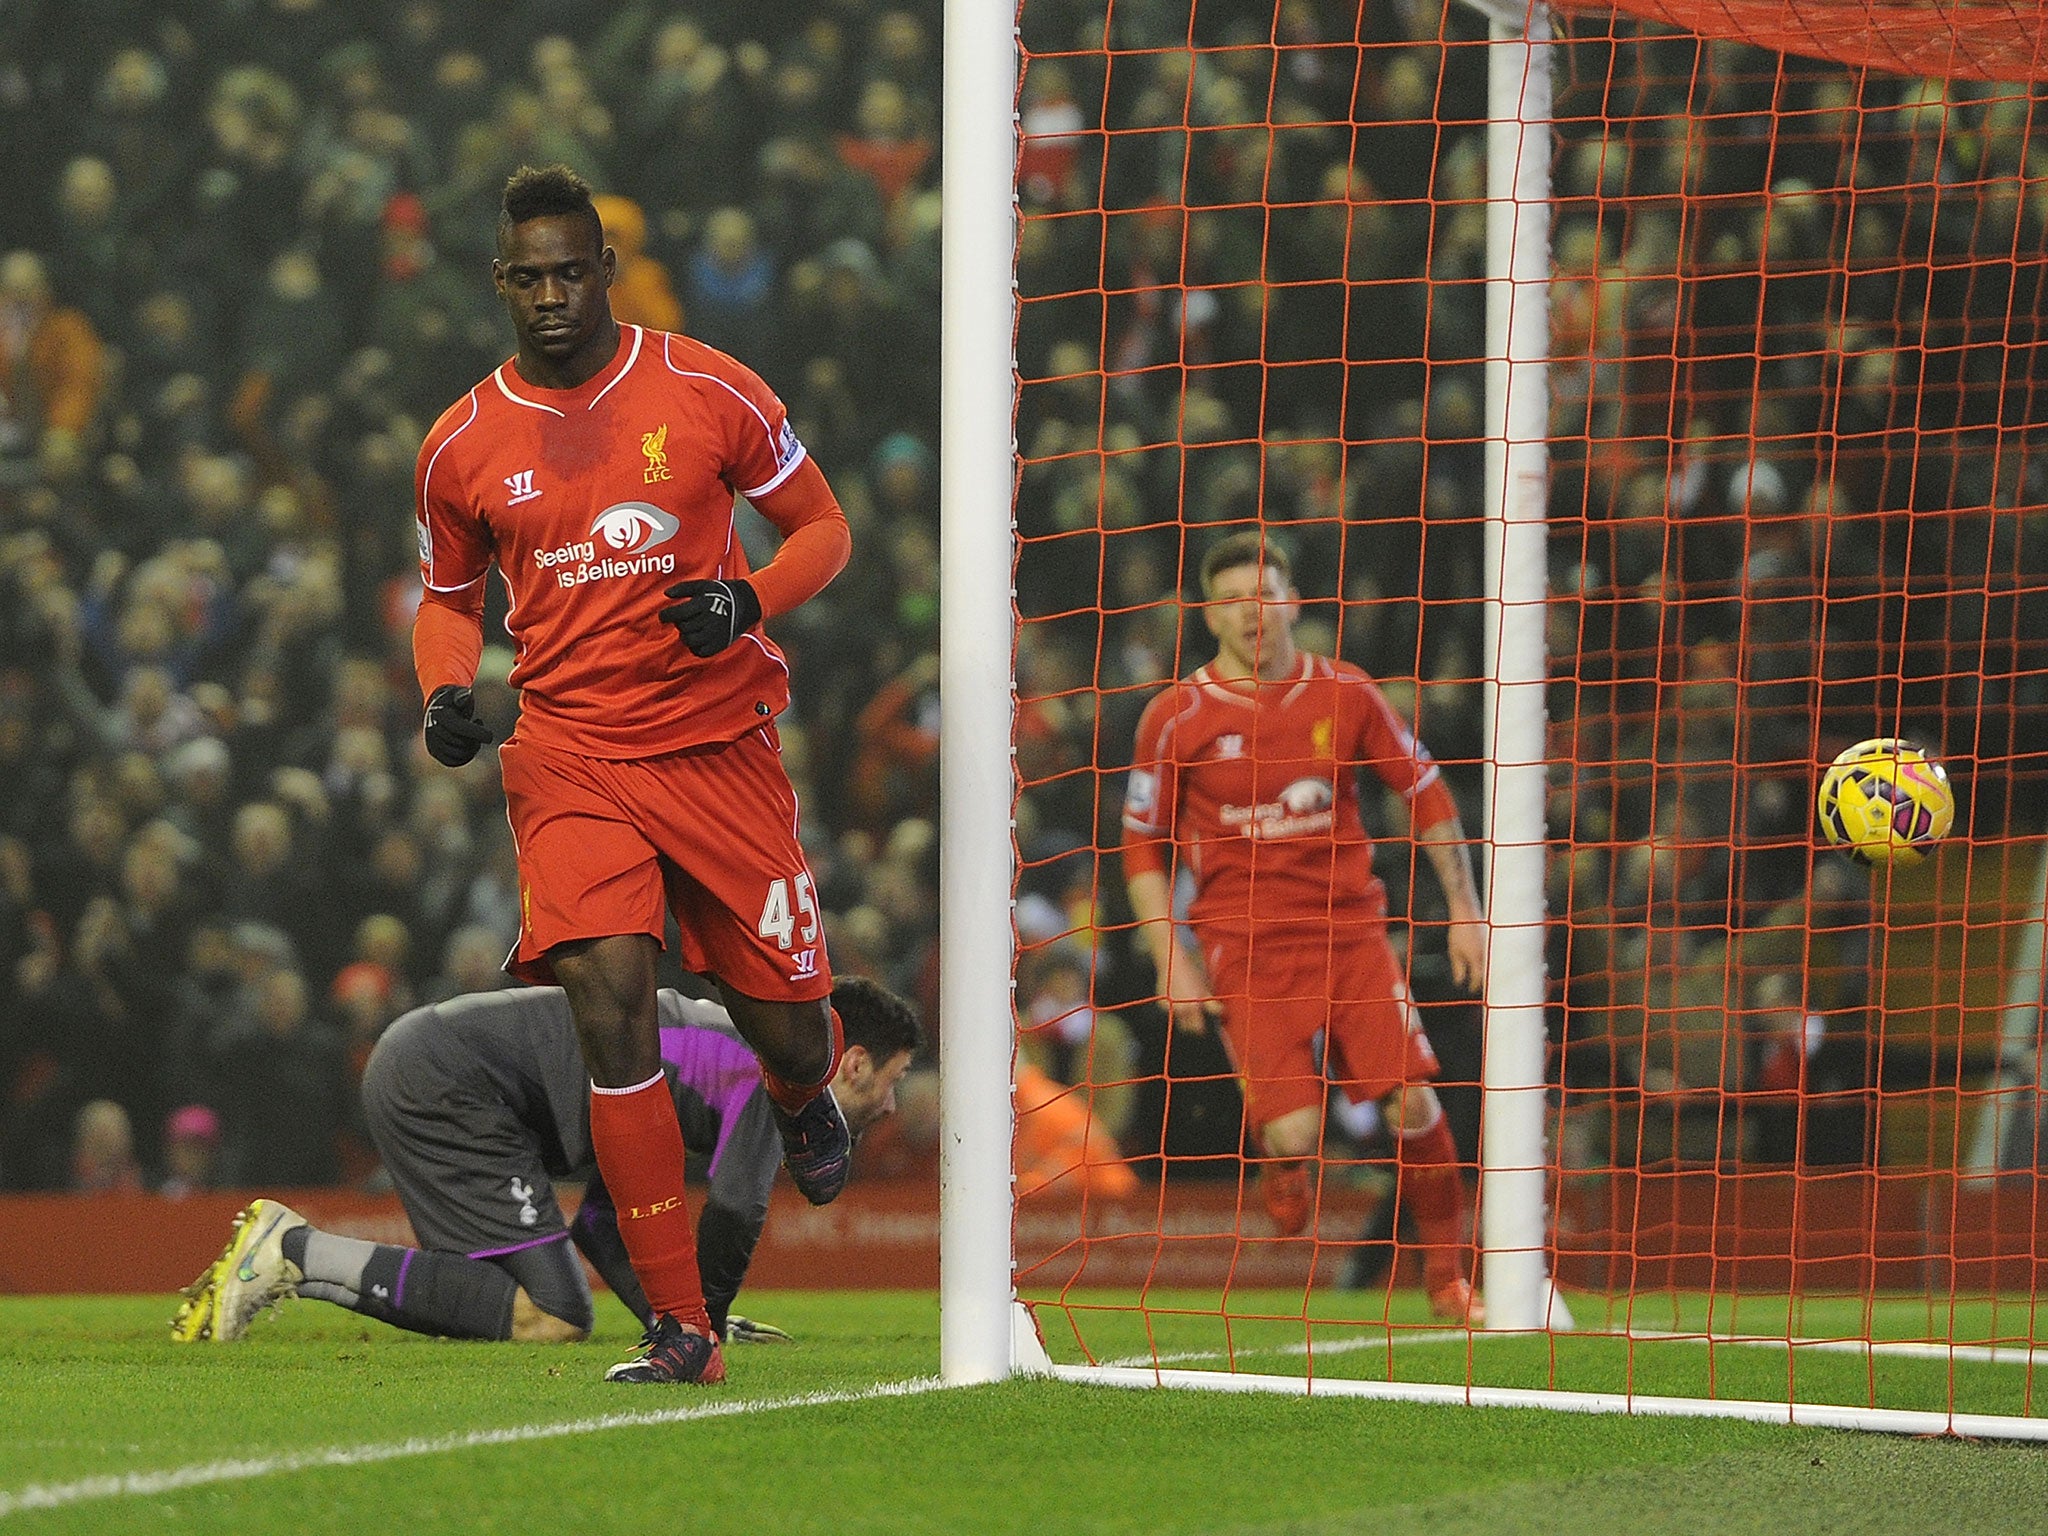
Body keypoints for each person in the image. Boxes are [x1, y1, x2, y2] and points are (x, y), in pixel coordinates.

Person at [408, 164, 855, 1384]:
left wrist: (744, 597)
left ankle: (804, 1089)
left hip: (715, 746)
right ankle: (682, 1326)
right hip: (568, 757)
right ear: (499, 283)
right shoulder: (458, 443)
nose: (551, 295)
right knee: (611, 1007)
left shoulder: (709, 386)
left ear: (604, 271)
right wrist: (445, 690)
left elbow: (824, 527)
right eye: (527, 277)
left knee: (792, 1028)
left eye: (570, 272)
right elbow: (447, 604)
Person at [1119, 530, 1490, 1324]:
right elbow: (1140, 846)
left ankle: (1448, 1283)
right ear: (1208, 615)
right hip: (1243, 945)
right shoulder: (1173, 715)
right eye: (1232, 600)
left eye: (1265, 595)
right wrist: (1168, 958)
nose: (1252, 614)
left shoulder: (1347, 693)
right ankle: (1285, 1159)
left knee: (1414, 1107)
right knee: (1295, 1130)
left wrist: (1467, 912)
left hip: (1352, 937)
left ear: (1293, 602)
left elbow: (1426, 793)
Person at [171, 976, 921, 1363]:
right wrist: (702, 1327)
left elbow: (602, 1222)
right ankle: (293, 1250)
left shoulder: (726, 1049)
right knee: (554, 1315)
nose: (890, 1107)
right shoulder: (776, 1069)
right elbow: (734, 1208)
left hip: (441, 1067)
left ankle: (291, 1256)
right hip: (451, 1081)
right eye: (893, 1081)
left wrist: (674, 1320)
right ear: (853, 1062)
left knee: (542, 1305)